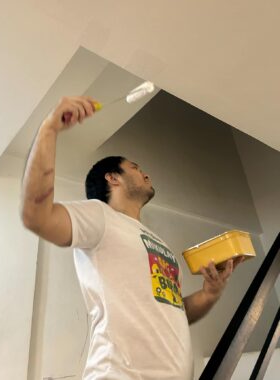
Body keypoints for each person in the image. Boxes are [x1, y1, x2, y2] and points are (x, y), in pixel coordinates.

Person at [21, 96, 242, 380]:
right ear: (113, 178)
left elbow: (173, 313)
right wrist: (48, 130)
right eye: (136, 167)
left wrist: (210, 294)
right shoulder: (100, 216)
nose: (145, 172)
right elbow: (36, 216)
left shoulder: (155, 241)